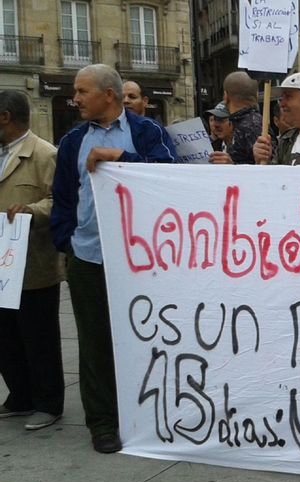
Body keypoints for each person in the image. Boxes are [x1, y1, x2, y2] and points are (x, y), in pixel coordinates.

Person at [50, 63, 177, 453]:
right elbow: (64, 197)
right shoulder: (73, 141)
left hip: (141, 261)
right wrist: (68, 243)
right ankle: (102, 423)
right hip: (88, 257)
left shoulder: (146, 132)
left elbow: (170, 176)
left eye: (83, 91)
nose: (76, 99)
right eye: (75, 91)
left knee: (145, 339)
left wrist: (121, 157)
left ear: (109, 94)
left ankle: (147, 414)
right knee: (94, 345)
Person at [0, 90, 65, 431]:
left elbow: (60, 201)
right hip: (1, 268)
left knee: (38, 338)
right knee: (5, 337)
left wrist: (32, 210)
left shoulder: (44, 154)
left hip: (32, 265)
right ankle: (19, 396)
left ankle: (48, 402)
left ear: (5, 117)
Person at [210, 71, 261, 165]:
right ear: (256, 96)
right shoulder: (242, 123)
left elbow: (263, 169)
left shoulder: (248, 126)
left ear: (226, 96)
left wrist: (232, 166)